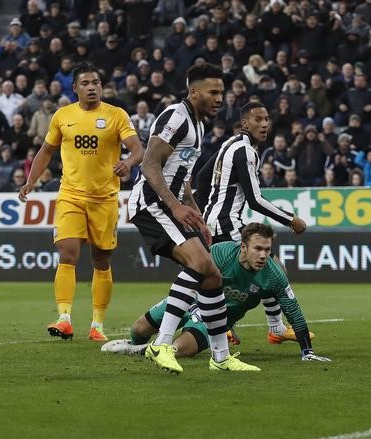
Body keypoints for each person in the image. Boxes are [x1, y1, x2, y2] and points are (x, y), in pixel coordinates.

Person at [126, 63, 257, 373]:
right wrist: (174, 206)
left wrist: (194, 209)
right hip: (152, 204)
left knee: (212, 276)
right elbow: (149, 164)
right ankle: (161, 344)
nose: (219, 98)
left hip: (171, 205)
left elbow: (180, 173)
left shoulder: (197, 125)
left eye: (222, 93)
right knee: (199, 264)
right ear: (193, 91)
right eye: (213, 92)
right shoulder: (176, 117)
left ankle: (221, 358)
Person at [18, 62, 144, 342]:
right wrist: (31, 181)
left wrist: (128, 163)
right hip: (71, 196)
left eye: (96, 83)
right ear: (75, 88)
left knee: (101, 259)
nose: (92, 87)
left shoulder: (116, 115)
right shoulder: (63, 116)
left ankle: (97, 324)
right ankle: (64, 318)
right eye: (86, 83)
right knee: (68, 253)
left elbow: (138, 149)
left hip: (105, 199)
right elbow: (46, 150)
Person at [101, 223, 330, 362]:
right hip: (191, 301)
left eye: (267, 250)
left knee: (181, 349)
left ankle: (138, 351)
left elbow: (294, 312)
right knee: (139, 328)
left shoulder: (274, 274)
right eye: (258, 249)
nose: (263, 255)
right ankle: (135, 342)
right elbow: (192, 278)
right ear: (243, 247)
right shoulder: (221, 252)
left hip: (215, 321)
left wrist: (306, 351)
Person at [196, 102, 306, 243]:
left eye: (266, 119)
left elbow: (203, 176)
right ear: (245, 124)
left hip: (213, 225)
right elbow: (255, 200)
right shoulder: (245, 151)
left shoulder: (230, 142)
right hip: (227, 227)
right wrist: (291, 219)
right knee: (267, 258)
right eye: (258, 120)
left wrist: (203, 217)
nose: (265, 124)